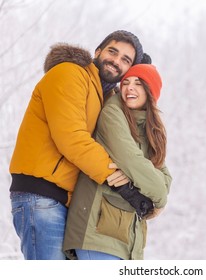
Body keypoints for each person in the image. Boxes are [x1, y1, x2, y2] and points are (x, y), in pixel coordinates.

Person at [9, 30, 148, 260]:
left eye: (126, 60)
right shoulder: (70, 73)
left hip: (64, 203)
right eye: (113, 52)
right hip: (41, 196)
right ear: (98, 51)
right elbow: (71, 137)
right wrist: (121, 184)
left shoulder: (103, 95)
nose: (116, 61)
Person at [63, 64, 172, 260]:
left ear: (151, 91)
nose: (129, 87)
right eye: (126, 82)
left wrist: (146, 181)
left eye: (138, 83)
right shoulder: (113, 113)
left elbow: (165, 178)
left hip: (125, 238)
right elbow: (133, 162)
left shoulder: (149, 131)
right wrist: (159, 200)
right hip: (98, 233)